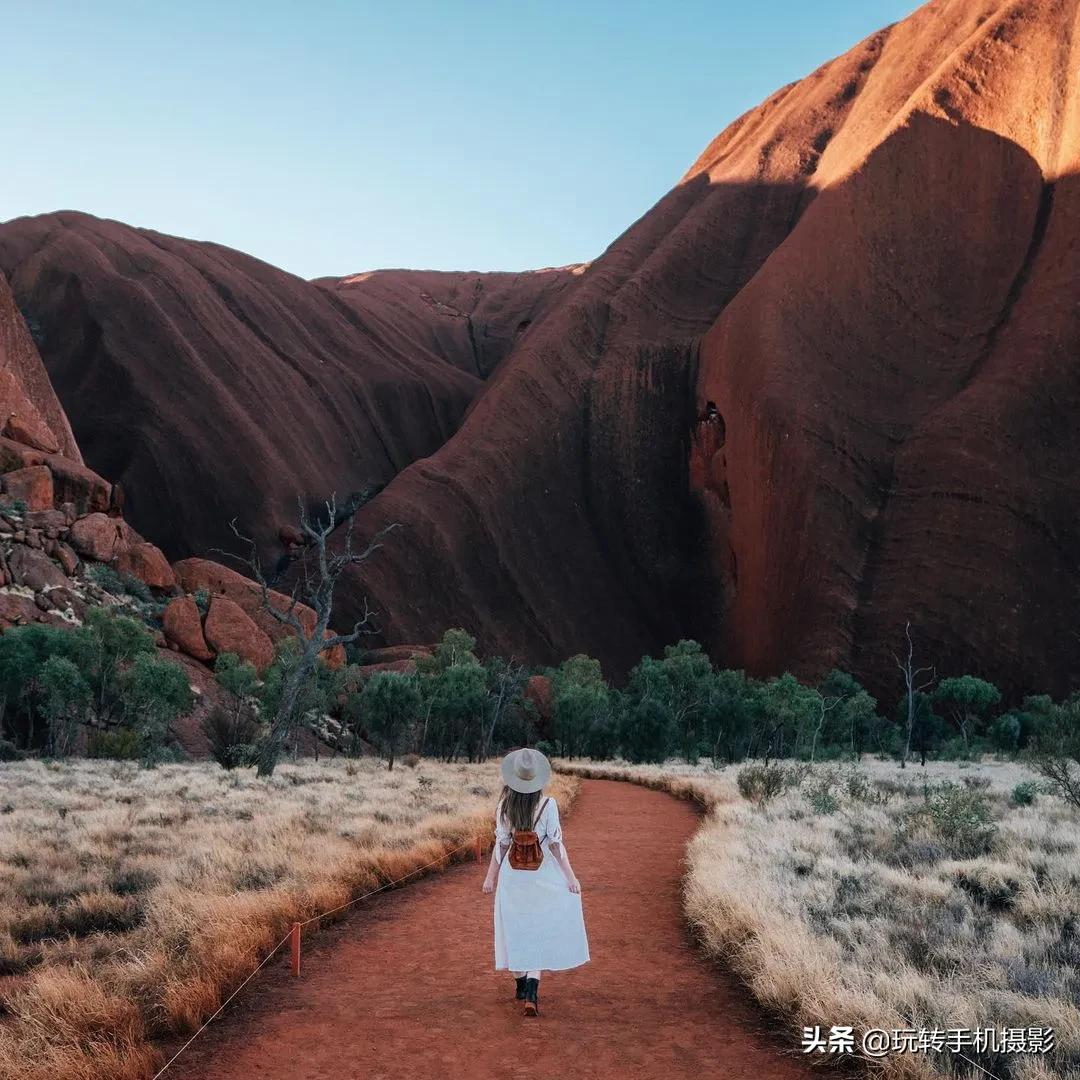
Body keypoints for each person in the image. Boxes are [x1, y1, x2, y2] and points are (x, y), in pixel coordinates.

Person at [481, 747, 590, 1016]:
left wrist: (490, 877)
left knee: (514, 927)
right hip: (541, 876)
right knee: (538, 928)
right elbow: (556, 845)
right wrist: (571, 878)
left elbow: (502, 845)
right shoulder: (548, 805)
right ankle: (531, 991)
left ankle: (519, 984)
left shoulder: (504, 807)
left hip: (512, 877)